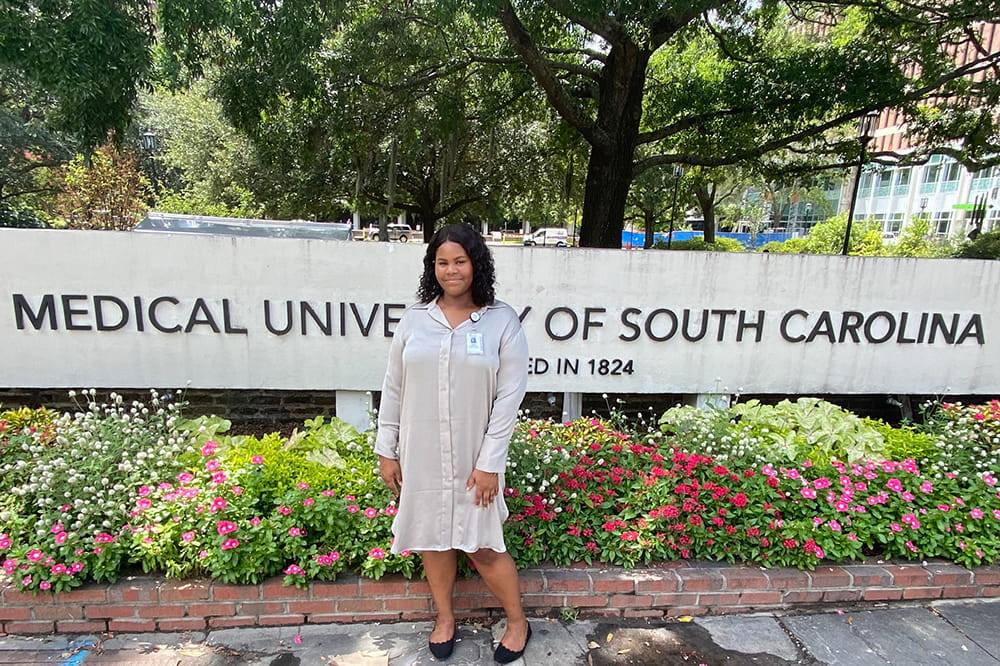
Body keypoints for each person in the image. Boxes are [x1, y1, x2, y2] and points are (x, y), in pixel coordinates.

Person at [375, 224, 531, 663]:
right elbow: (393, 386)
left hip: (473, 456)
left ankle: (517, 621)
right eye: (442, 262)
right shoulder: (415, 319)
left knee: (482, 546)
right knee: (433, 539)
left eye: (459, 261)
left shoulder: (501, 320)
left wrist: (489, 463)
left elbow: (509, 396)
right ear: (433, 267)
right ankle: (445, 618)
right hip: (421, 451)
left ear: (476, 263)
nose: (451, 270)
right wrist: (387, 448)